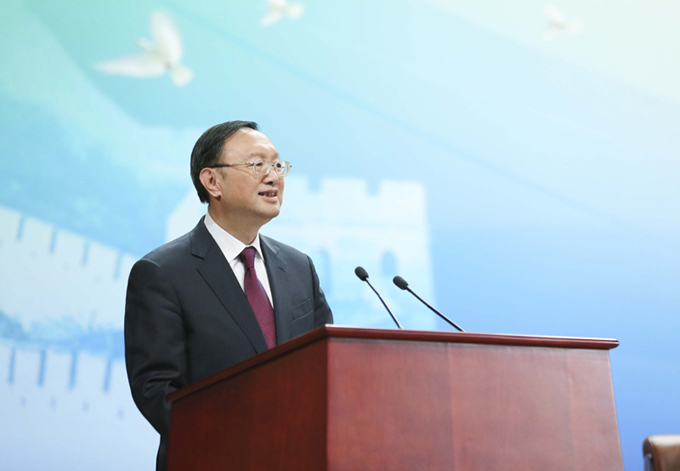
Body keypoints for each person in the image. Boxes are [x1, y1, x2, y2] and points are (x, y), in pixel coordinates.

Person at [124, 120, 333, 471]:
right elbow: (156, 389)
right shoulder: (163, 273)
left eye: (277, 165)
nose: (273, 176)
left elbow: (325, 368)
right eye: (257, 164)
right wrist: (245, 442)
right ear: (212, 181)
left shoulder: (299, 267)